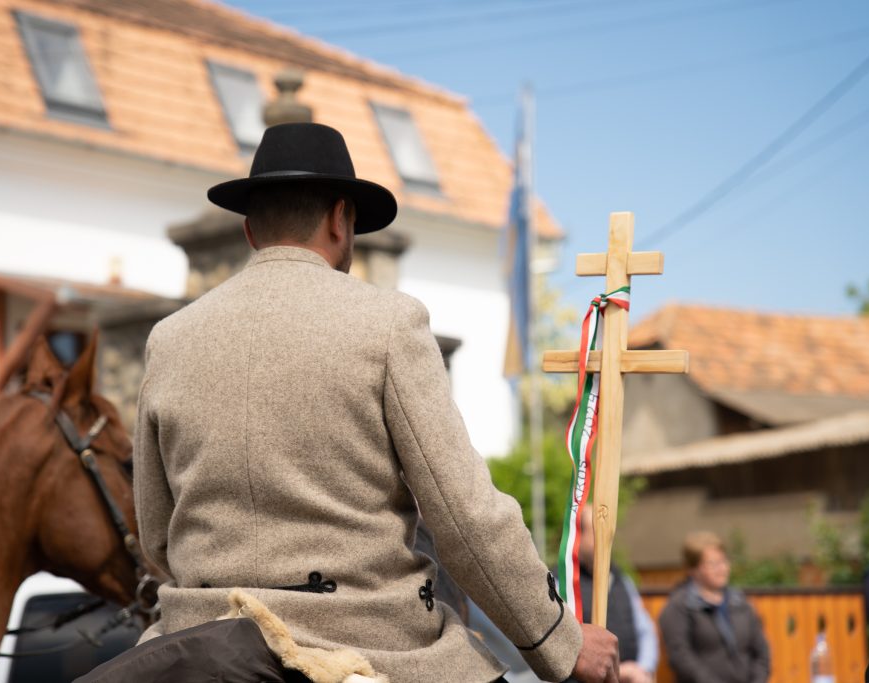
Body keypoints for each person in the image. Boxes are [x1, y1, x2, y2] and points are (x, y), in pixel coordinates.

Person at [126, 123, 620, 683]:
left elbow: (158, 533)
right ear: (341, 218)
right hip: (364, 649)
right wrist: (559, 639)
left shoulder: (168, 339)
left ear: (249, 231)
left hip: (203, 645)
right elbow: (464, 517)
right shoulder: (390, 323)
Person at [658, 531, 769, 683]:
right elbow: (681, 657)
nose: (721, 568)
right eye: (712, 564)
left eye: (723, 561)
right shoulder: (678, 607)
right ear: (693, 569)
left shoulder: (741, 602)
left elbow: (762, 652)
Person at [576, 508, 658, 683]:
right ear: (578, 536)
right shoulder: (564, 582)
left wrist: (642, 669)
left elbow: (645, 630)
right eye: (597, 531)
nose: (605, 538)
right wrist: (619, 671)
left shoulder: (623, 580)